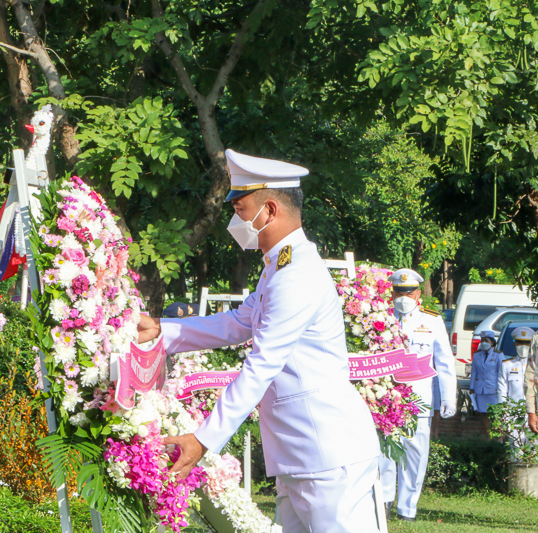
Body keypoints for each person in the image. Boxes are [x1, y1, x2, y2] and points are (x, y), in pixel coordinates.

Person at [138, 149, 381, 533]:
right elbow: (238, 322)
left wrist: (203, 439)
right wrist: (162, 329)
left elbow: (263, 363)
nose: (235, 219)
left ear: (269, 210)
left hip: (329, 457)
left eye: (241, 208)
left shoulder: (296, 273)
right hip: (302, 455)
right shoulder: (279, 268)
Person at [379, 269, 457, 522]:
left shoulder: (432, 321)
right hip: (384, 398)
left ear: (418, 293)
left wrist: (448, 398)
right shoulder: (379, 317)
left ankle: (407, 509)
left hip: (418, 400)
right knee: (385, 453)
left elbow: (444, 362)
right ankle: (384, 501)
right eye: (399, 291)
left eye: (408, 291)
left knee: (415, 455)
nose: (403, 296)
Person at [470, 330, 501, 435]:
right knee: (483, 413)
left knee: (495, 414)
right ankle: (488, 435)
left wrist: (500, 388)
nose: (483, 343)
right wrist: (472, 387)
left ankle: (498, 436)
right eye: (482, 340)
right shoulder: (477, 354)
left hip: (493, 389)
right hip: (480, 389)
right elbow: (474, 371)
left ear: (492, 342)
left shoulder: (498, 355)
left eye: (486, 340)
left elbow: (501, 373)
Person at [499, 327, 532, 404]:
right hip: (513, 411)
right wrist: (503, 411)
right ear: (515, 344)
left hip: (533, 413)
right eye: (520, 343)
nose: (523, 346)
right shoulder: (507, 365)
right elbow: (501, 390)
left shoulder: (535, 365)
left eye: (527, 343)